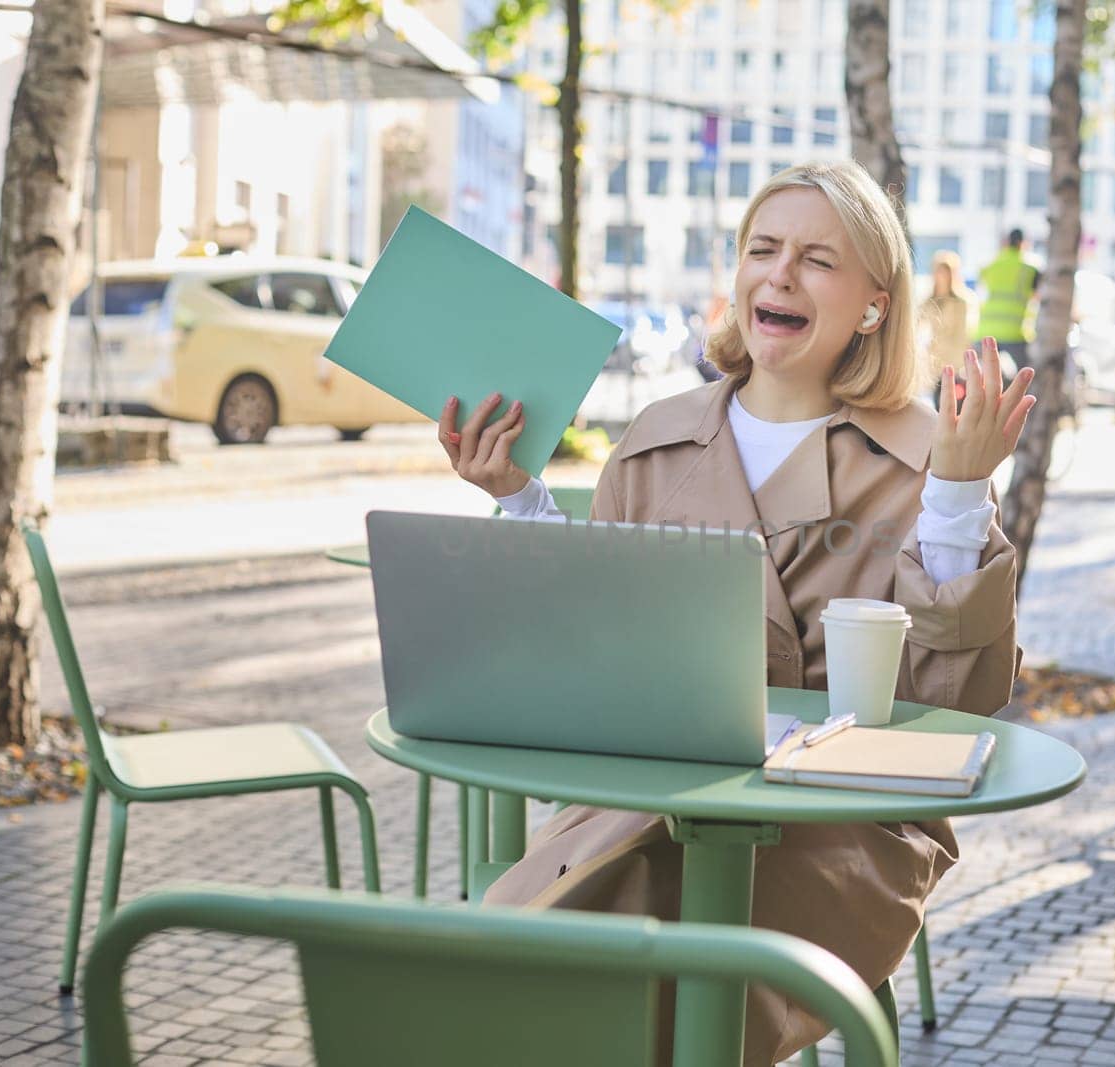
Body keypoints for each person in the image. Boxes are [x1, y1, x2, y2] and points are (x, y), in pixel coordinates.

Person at [436, 160, 1035, 1065]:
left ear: (875, 304)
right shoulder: (655, 437)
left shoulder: (931, 453)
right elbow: (595, 638)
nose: (779, 273)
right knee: (553, 952)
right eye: (762, 248)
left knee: (617, 958)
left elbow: (955, 699)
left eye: (817, 260)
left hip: (837, 827)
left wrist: (957, 493)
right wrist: (518, 497)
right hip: (646, 805)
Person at [977, 227, 1040, 373]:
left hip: (986, 331)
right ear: (1023, 244)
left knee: (985, 377)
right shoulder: (1030, 269)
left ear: (1006, 243)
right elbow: (1037, 297)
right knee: (1024, 377)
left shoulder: (990, 266)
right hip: (1015, 333)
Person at [917, 249, 976, 407]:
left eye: (945, 271)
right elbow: (915, 322)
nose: (941, 276)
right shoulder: (930, 301)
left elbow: (966, 333)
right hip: (936, 363)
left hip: (955, 363)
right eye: (938, 271)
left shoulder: (962, 301)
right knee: (938, 405)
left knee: (954, 405)